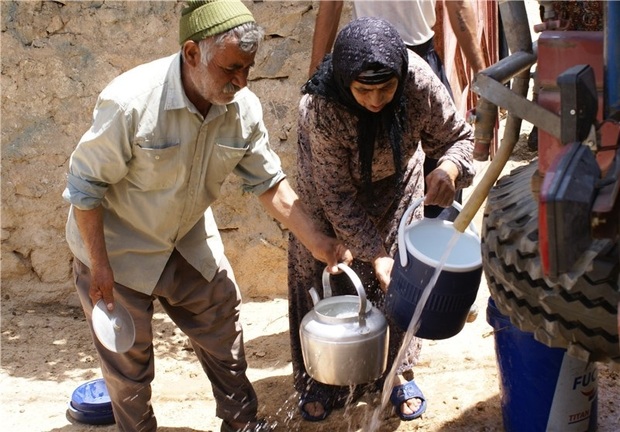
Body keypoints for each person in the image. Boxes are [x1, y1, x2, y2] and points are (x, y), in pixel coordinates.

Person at [62, 1, 352, 431]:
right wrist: (99, 265)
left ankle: (241, 423)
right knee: (129, 370)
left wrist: (321, 244)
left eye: (248, 68)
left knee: (223, 327)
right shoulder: (130, 104)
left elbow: (270, 184)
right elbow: (84, 190)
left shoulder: (242, 109)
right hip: (117, 250)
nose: (241, 81)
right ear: (192, 53)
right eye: (231, 68)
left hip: (187, 238)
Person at [288, 17, 476, 423]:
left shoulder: (418, 83)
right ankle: (320, 378)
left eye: (385, 88)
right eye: (363, 90)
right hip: (326, 193)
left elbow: (460, 138)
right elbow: (335, 195)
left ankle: (397, 372)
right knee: (322, 274)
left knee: (398, 282)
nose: (376, 100)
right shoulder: (323, 108)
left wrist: (449, 170)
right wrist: (373, 253)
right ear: (344, 81)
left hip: (396, 184)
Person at [309, 0, 485, 218]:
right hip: (365, 63)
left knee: (440, 184)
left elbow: (457, 4)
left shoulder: (421, 79)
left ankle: (433, 246)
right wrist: (315, 81)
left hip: (419, 55)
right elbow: (332, 4)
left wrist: (482, 74)